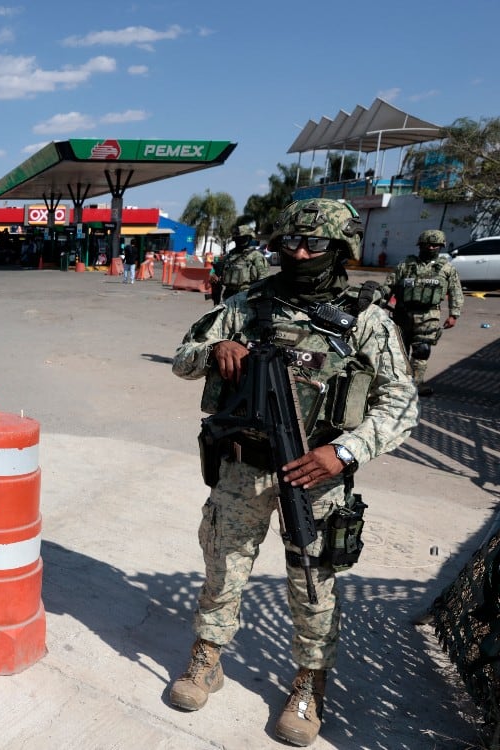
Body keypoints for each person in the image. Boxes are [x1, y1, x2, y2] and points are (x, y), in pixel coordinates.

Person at [169, 198, 417, 746]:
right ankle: (207, 659)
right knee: (222, 568)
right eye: (291, 243)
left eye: (314, 245)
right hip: (243, 470)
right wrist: (216, 350)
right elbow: (183, 356)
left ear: (341, 250)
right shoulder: (251, 302)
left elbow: (401, 402)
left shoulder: (367, 320)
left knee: (312, 583)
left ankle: (309, 684)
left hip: (317, 476)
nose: (300, 253)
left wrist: (346, 452)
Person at [383, 229, 464, 396]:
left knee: (422, 351)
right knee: (398, 351)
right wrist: (379, 302)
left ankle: (417, 384)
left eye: (435, 245)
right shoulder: (405, 265)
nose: (431, 248)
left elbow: (456, 291)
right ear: (420, 245)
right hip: (402, 314)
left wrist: (454, 314)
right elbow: (389, 285)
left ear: (441, 247)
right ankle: (397, 383)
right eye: (428, 244)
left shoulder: (447, 269)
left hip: (428, 316)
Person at [211, 225, 270, 306]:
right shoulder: (229, 256)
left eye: (243, 238)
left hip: (247, 299)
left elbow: (264, 281)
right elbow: (217, 280)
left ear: (249, 238)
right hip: (228, 299)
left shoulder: (256, 256)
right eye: (237, 238)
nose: (239, 240)